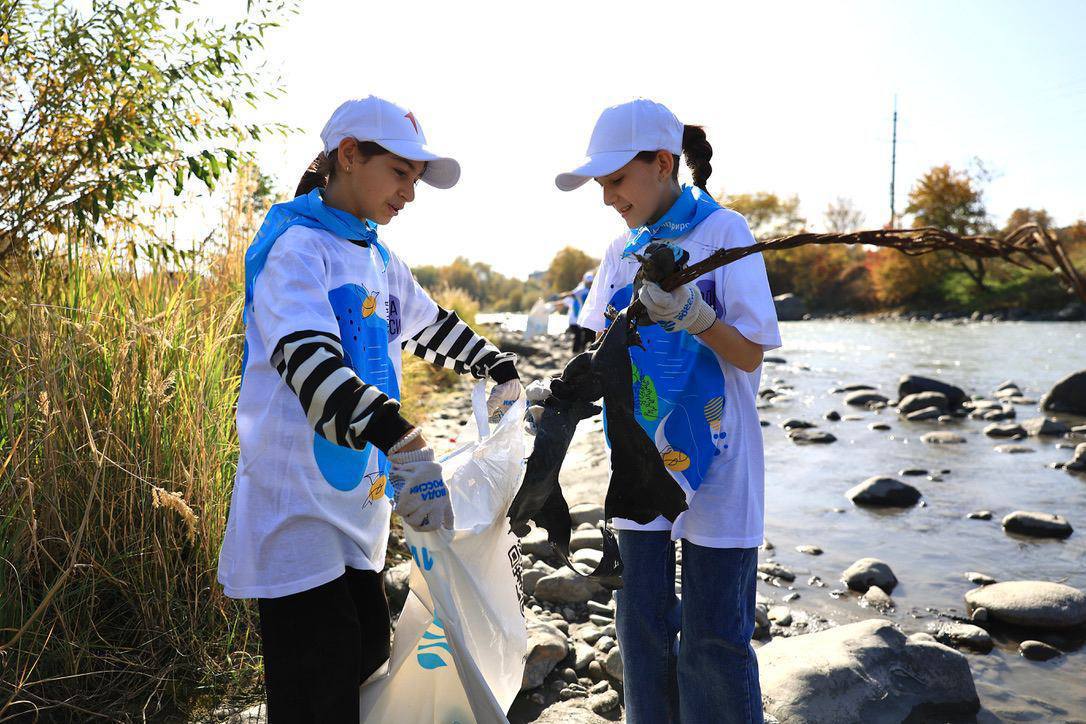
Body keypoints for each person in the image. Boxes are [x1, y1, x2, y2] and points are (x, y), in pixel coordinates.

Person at [217, 95, 522, 723]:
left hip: (359, 510)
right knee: (317, 683)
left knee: (364, 658)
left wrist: (497, 365)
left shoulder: (376, 256)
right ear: (349, 157)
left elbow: (431, 324)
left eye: (416, 179)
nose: (409, 192)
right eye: (400, 173)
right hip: (296, 512)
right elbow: (312, 370)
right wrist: (402, 437)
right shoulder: (296, 249)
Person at [555, 98, 781, 724]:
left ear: (662, 163)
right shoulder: (619, 251)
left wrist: (696, 318)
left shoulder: (726, 233)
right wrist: (563, 394)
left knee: (713, 640)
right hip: (637, 463)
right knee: (643, 629)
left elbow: (751, 354)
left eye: (617, 181)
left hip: (719, 466)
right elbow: (597, 348)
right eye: (602, 185)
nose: (608, 197)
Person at [558, 271, 594, 353]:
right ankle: (579, 352)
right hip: (584, 317)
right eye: (588, 283)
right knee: (584, 336)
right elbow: (570, 294)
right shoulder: (581, 290)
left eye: (591, 283)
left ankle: (585, 352)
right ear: (585, 281)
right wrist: (560, 295)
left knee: (590, 336)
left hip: (591, 316)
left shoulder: (594, 289)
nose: (590, 284)